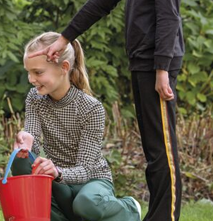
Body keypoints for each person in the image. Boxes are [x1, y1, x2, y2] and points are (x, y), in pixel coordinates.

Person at [28, 0, 184, 220]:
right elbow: (103, 0)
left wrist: (162, 71)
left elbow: (169, 17)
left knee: (164, 152)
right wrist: (66, 37)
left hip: (158, 64)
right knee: (153, 149)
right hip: (143, 61)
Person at [12, 32, 142, 221]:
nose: (31, 79)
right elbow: (32, 138)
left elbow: (86, 169)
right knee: (20, 160)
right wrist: (26, 142)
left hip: (91, 181)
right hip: (58, 181)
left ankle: (129, 208)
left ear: (64, 67)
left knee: (85, 205)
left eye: (38, 72)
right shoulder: (35, 98)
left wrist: (57, 172)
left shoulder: (91, 108)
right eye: (29, 72)